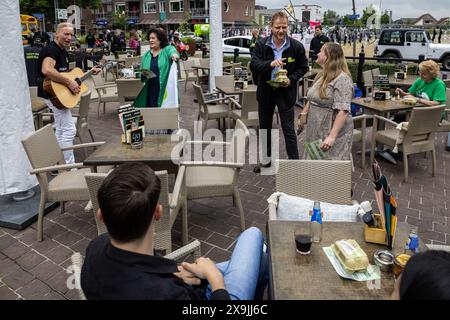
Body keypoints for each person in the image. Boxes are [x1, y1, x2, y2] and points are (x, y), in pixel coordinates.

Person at [81, 162, 268, 300]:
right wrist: (215, 279)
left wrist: (172, 272)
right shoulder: (167, 294)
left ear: (101, 215)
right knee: (253, 236)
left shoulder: (96, 248)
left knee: (259, 262)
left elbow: (138, 268)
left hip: (175, 280)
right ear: (158, 213)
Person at [250, 11, 309, 173]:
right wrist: (270, 64)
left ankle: (294, 165)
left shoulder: (296, 46)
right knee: (265, 128)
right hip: (266, 92)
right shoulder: (262, 44)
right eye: (277, 27)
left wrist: (291, 78)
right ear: (271, 27)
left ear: (287, 26)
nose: (281, 31)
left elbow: (304, 67)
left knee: (288, 129)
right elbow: (254, 65)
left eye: (284, 27)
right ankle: (266, 161)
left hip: (285, 92)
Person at [37, 23, 100, 164]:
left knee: (60, 130)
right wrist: (68, 82)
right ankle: (69, 166)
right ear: (56, 34)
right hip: (52, 94)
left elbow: (68, 75)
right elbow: (46, 70)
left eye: (71, 34)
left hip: (57, 94)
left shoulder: (62, 51)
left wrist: (89, 72)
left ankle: (59, 163)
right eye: (66, 34)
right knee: (70, 130)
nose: (69, 37)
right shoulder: (51, 50)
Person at [298, 42, 354, 160]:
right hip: (316, 129)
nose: (317, 53)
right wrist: (303, 116)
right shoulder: (321, 75)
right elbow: (312, 98)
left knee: (329, 167)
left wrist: (332, 137)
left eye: (321, 51)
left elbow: (343, 111)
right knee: (315, 163)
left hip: (330, 131)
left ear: (328, 56)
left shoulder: (343, 79)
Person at [133, 28, 179, 108]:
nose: (151, 40)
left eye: (153, 38)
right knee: (151, 112)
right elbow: (142, 77)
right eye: (150, 38)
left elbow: (173, 51)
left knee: (164, 113)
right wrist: (142, 74)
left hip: (164, 89)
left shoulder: (166, 50)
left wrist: (174, 55)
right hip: (150, 89)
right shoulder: (146, 55)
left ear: (160, 40)